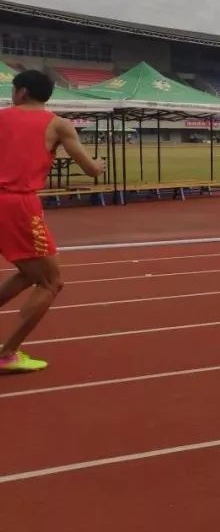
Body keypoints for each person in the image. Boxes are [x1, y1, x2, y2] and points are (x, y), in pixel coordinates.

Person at [0, 70, 105, 372]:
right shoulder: (58, 124)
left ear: (22, 93)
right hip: (18, 204)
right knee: (50, 281)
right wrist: (98, 165)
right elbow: (90, 170)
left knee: (29, 271)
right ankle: (7, 353)